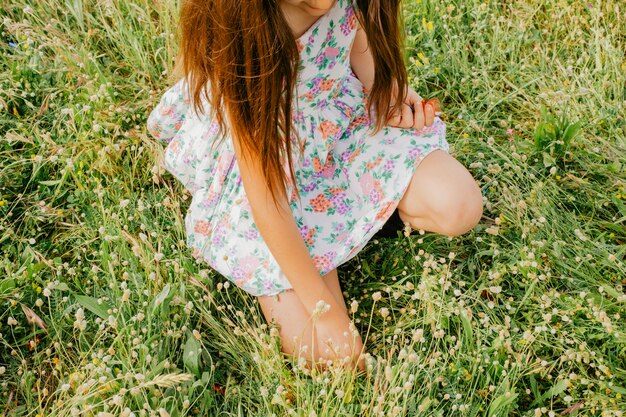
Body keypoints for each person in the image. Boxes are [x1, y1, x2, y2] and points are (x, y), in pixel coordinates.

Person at [146, 0, 483, 374]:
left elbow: (354, 32)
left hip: (337, 123)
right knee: (331, 356)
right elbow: (266, 195)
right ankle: (324, 242)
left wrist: (383, 88)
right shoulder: (244, 27)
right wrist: (321, 311)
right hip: (271, 167)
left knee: (459, 205)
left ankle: (349, 219)